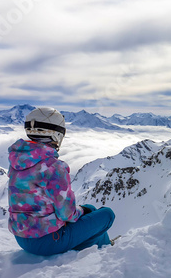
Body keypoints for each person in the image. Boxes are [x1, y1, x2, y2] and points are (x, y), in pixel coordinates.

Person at [7, 107, 116, 256]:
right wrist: (83, 210)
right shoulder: (54, 167)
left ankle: (103, 246)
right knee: (107, 214)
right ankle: (106, 252)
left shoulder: (17, 161)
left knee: (89, 209)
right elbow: (67, 214)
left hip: (22, 238)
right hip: (47, 241)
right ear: (57, 134)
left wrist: (84, 209)